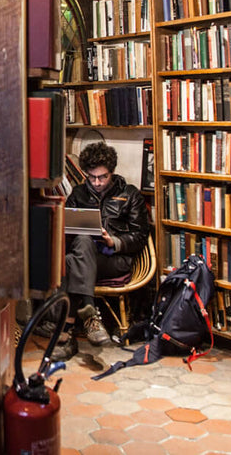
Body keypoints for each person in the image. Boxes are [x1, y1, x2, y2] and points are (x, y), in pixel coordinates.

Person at [62, 142, 150, 348]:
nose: (97, 183)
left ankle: (66, 329)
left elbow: (140, 236)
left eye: (103, 177)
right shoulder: (78, 194)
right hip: (85, 257)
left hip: (115, 260)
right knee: (80, 245)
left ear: (112, 172)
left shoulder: (130, 195)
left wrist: (114, 241)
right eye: (91, 177)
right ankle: (90, 319)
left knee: (71, 262)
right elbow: (66, 233)